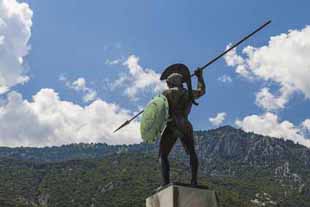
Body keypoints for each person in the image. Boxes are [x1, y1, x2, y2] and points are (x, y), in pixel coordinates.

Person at [160, 69, 206, 186]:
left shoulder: (166, 93)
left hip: (172, 125)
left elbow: (159, 110)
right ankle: (194, 181)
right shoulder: (189, 92)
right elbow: (202, 91)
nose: (168, 85)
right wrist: (199, 77)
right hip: (185, 124)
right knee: (192, 152)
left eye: (168, 83)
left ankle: (165, 183)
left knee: (163, 155)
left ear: (172, 83)